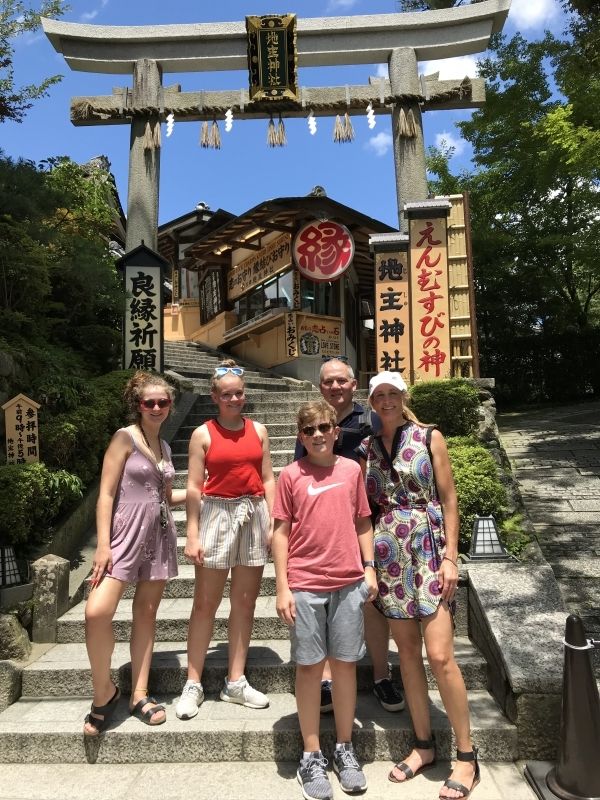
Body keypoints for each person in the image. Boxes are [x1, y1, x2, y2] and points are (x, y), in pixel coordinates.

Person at [357, 372, 480, 800]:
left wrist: (451, 556)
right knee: (406, 655)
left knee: (441, 656)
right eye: (379, 395)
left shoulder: (429, 436)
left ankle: (466, 757)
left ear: (403, 395)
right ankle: (424, 745)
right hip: (390, 555)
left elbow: (448, 499)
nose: (386, 401)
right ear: (371, 402)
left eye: (392, 393)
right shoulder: (366, 448)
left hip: (428, 551)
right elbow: (366, 511)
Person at [273, 399, 378, 800]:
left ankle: (345, 748)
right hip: (305, 582)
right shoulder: (291, 475)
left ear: (337, 430)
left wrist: (369, 567)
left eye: (324, 427)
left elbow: (362, 520)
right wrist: (282, 585)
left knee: (346, 665)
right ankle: (311, 754)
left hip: (349, 580)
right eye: (309, 430)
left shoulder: (352, 470)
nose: (317, 435)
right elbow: (280, 533)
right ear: (301, 436)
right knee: (309, 667)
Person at [294, 356, 404, 715]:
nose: (335, 387)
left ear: (353, 383)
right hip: (325, 529)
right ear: (319, 386)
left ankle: (380, 675)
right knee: (326, 602)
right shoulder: (313, 422)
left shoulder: (370, 418)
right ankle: (326, 678)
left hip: (368, 521)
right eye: (328, 382)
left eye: (341, 380)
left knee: (370, 601)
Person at [83, 371, 185, 736]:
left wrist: (207, 490)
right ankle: (103, 692)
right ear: (138, 405)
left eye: (163, 402)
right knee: (97, 612)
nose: (157, 407)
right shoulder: (124, 438)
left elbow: (166, 496)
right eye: (149, 402)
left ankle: (139, 693)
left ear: (170, 406)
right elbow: (106, 494)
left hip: (158, 536)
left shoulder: (166, 448)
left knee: (146, 612)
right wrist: (103, 544)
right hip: (123, 536)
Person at [175, 359, 274, 719]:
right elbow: (193, 486)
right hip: (216, 513)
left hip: (253, 511)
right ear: (215, 397)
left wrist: (274, 524)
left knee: (245, 603)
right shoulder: (203, 434)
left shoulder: (259, 430)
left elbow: (268, 479)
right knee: (205, 603)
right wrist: (191, 532)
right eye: (227, 394)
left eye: (239, 393)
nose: (234, 399)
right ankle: (193, 682)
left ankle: (235, 681)